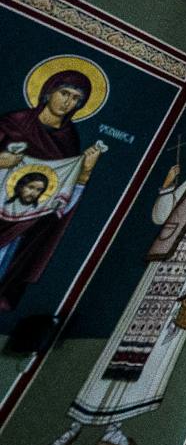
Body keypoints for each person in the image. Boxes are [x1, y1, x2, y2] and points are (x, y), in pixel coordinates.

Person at [35, 103, 186, 445]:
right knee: (130, 330)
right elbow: (166, 213)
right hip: (171, 251)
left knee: (166, 335)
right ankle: (78, 420)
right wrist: (166, 186)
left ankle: (116, 425)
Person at [0, 64, 107, 312]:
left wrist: (85, 171)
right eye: (65, 93)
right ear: (49, 91)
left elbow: (60, 197)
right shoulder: (12, 123)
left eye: (76, 99)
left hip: (24, 224)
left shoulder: (69, 141)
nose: (68, 102)